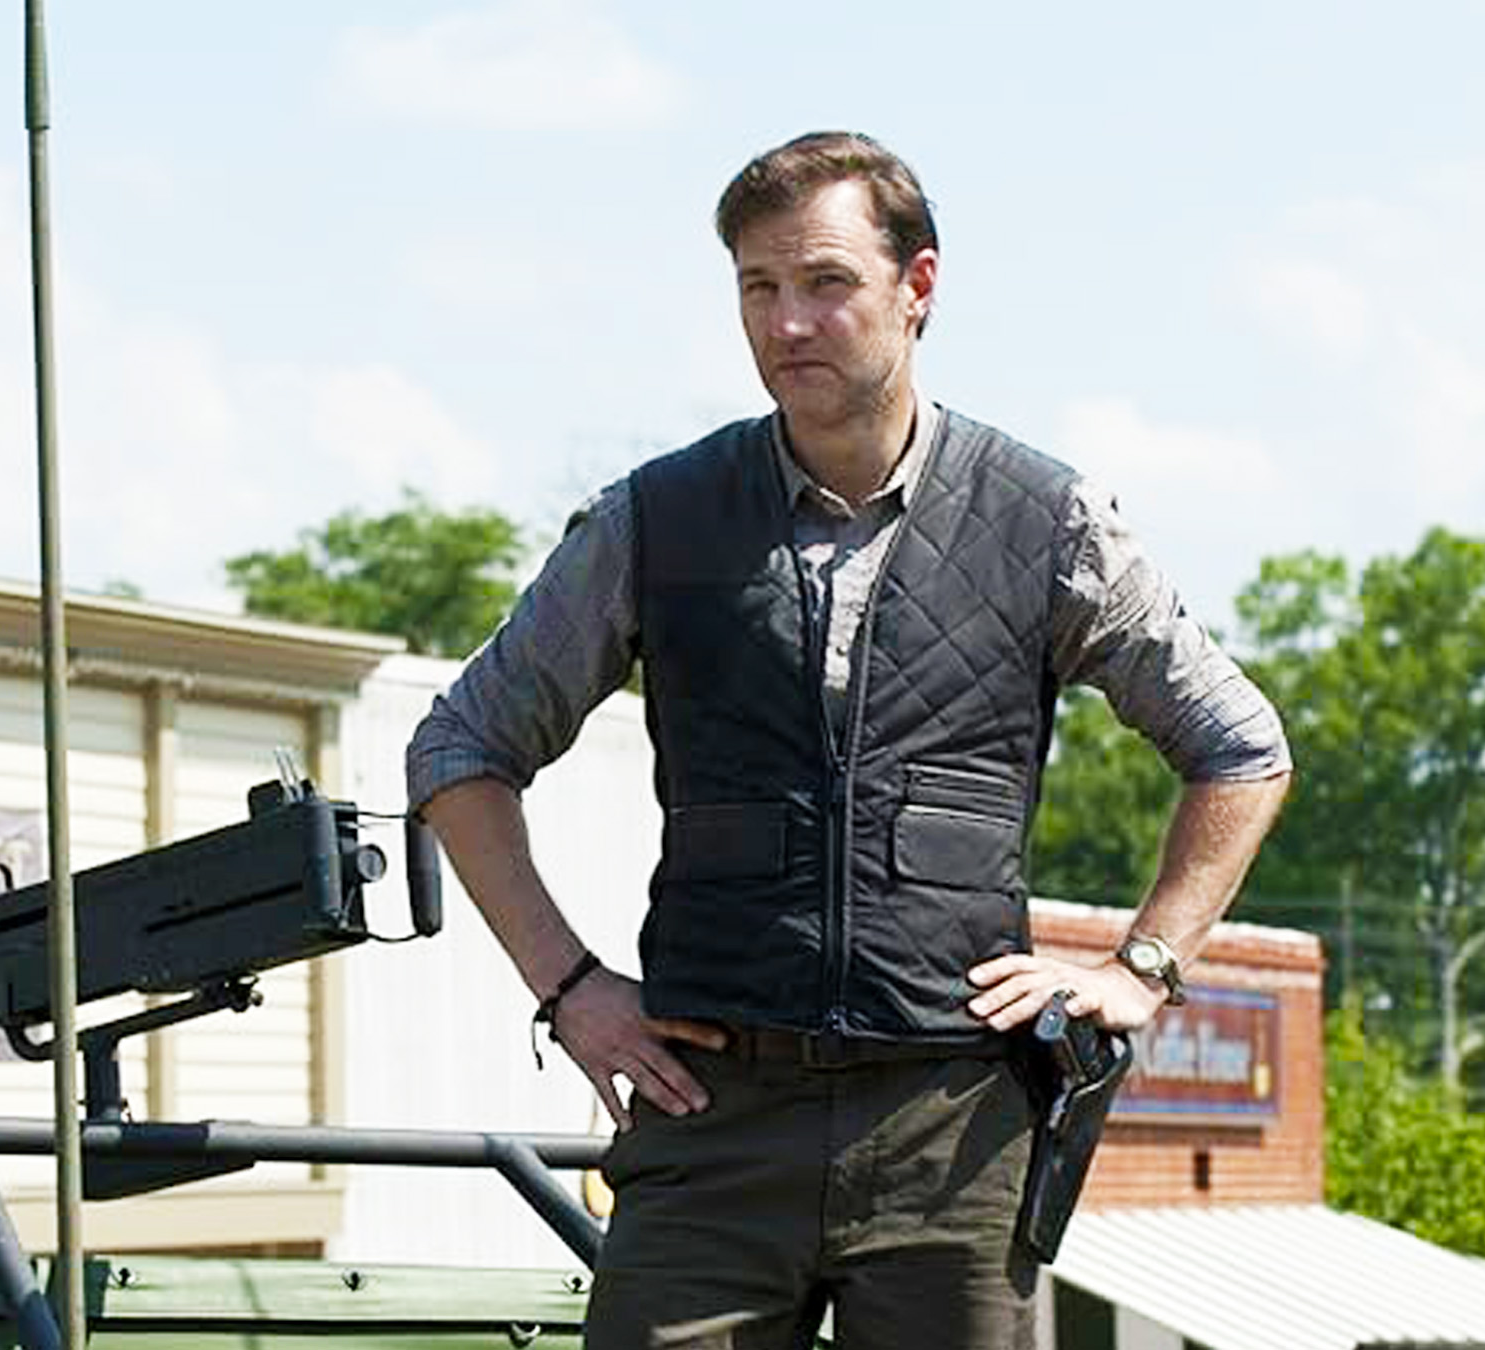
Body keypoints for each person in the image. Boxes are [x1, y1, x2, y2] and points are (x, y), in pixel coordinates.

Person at [407, 130, 1292, 1350]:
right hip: (710, 1115)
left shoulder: (1049, 519)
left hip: (954, 1129)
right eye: (758, 289)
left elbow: (1240, 748)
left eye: (826, 283)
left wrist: (1141, 968)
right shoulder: (655, 519)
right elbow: (459, 749)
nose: (788, 324)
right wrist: (569, 988)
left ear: (918, 286)